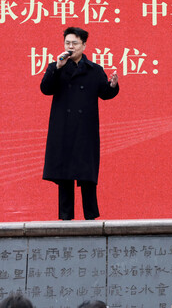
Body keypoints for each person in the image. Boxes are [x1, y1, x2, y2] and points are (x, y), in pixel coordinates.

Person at [40, 27, 119, 220]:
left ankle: (91, 217)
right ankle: (65, 218)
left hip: (85, 130)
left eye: (74, 43)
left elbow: (105, 93)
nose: (70, 47)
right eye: (67, 43)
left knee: (87, 174)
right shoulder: (56, 67)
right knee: (65, 175)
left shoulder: (95, 70)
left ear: (84, 45)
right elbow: (46, 89)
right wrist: (57, 68)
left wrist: (113, 85)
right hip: (63, 129)